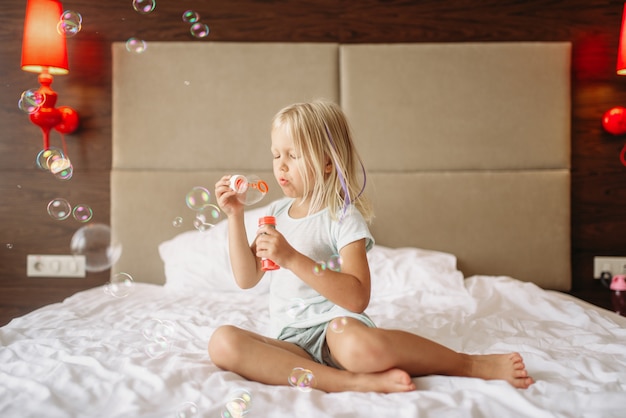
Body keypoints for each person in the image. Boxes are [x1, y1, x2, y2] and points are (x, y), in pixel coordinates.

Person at [209, 100, 534, 393]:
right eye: (276, 155)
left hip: (336, 329)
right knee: (223, 343)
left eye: (293, 155)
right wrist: (236, 216)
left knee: (360, 349)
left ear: (326, 163)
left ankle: (470, 364)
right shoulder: (276, 213)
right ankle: (352, 382)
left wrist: (291, 258)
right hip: (290, 339)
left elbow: (357, 297)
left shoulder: (341, 216)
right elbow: (246, 278)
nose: (280, 166)